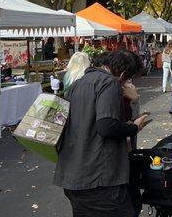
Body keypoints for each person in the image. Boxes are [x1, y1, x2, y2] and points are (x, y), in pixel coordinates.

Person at [54, 50, 151, 217]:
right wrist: (134, 127)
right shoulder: (109, 83)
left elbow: (89, 123)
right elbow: (106, 126)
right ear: (122, 73)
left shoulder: (78, 83)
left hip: (72, 175)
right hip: (99, 179)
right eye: (127, 79)